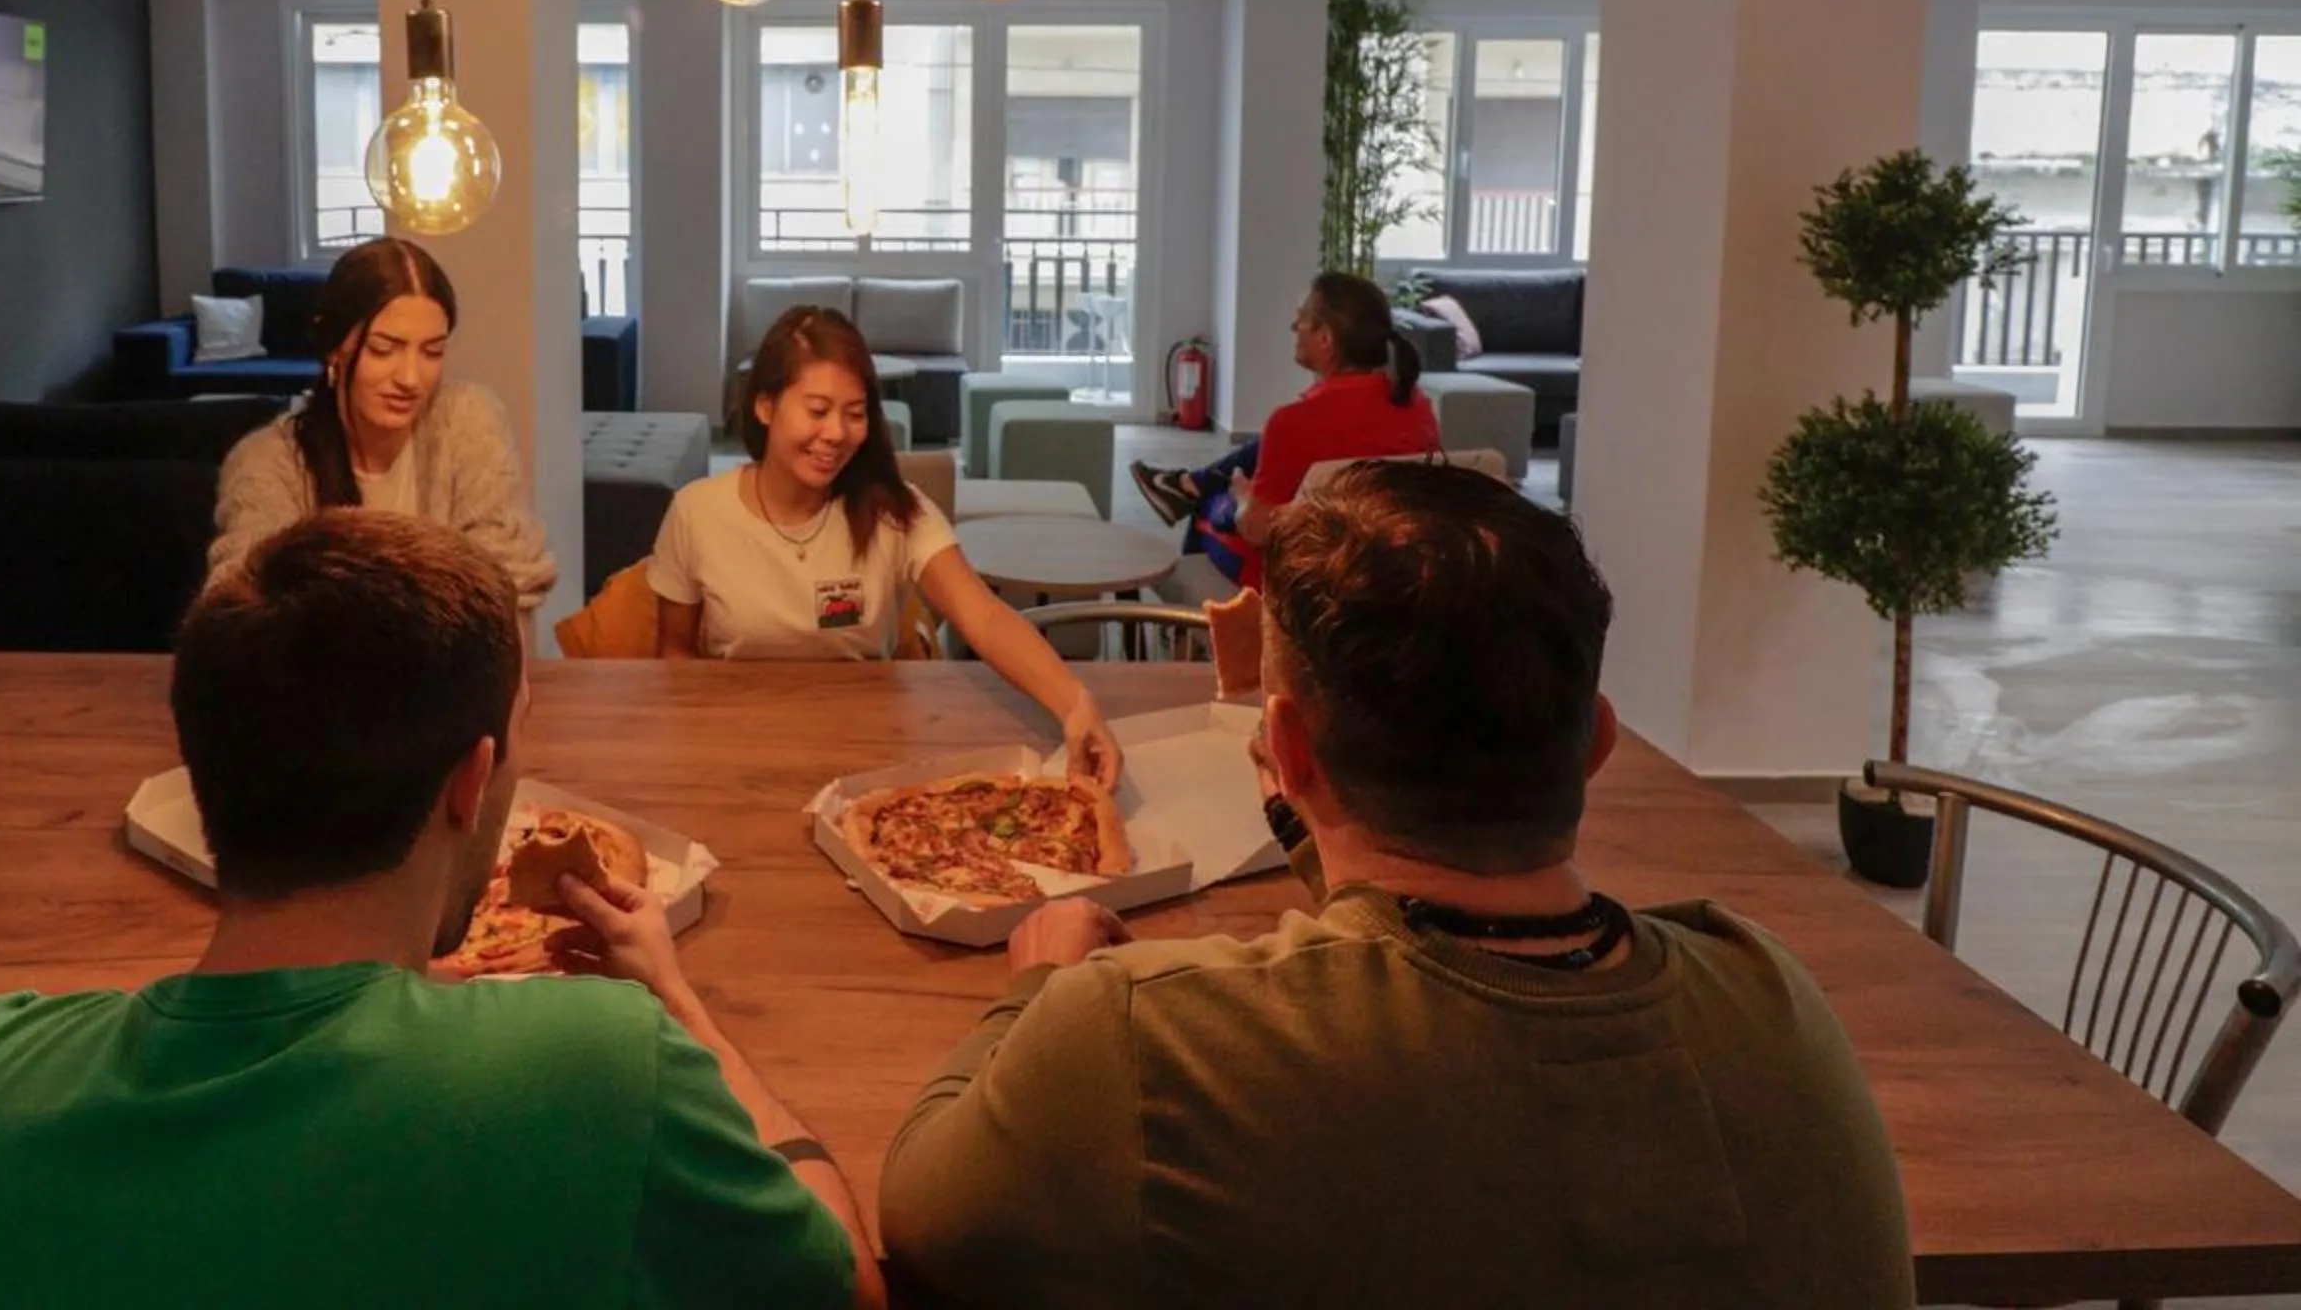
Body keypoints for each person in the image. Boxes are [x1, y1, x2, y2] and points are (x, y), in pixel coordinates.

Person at [880, 463, 1915, 1309]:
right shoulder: (1775, 994)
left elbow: (925, 1218)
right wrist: (1313, 826)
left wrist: (1037, 985)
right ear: (1596, 741)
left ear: (1286, 744)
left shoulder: (1136, 1035)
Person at [0, 510, 879, 1310]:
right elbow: (845, 1282)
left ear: (204, 763)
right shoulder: (605, 1072)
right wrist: (681, 1001)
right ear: (472, 783)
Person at [649, 307, 1122, 790]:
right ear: (766, 407)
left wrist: (1076, 703)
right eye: (817, 411)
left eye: (855, 414)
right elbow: (675, 655)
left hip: (867, 758)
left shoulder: (893, 510)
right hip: (740, 754)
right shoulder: (697, 513)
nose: (836, 433)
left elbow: (984, 615)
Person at [209, 236, 555, 612]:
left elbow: (508, 582)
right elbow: (243, 606)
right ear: (333, 347)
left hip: (464, 669)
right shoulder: (267, 462)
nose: (410, 377)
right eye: (383, 349)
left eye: (432, 351)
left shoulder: (467, 419)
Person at [1128, 271, 1438, 582]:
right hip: (1385, 576)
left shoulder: (1294, 422)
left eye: (1301, 317)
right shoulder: (1417, 407)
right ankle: (1187, 485)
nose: (1293, 326)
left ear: (1325, 338)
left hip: (1300, 584)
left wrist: (1242, 496)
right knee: (1248, 461)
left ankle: (1203, 622)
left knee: (1208, 504)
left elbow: (1258, 531)